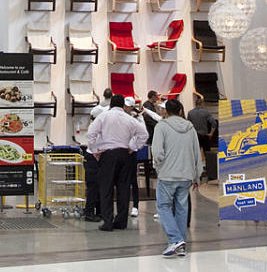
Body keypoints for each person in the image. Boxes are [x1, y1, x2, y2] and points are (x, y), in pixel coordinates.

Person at [86, 94, 149, 232]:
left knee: (106, 189)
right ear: (123, 106)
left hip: (108, 154)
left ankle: (107, 222)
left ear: (110, 105)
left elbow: (90, 134)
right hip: (124, 155)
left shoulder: (103, 117)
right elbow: (144, 134)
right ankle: (121, 222)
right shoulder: (129, 118)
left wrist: (96, 150)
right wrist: (133, 147)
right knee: (123, 189)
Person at [152, 98, 202, 258]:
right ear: (181, 110)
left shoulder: (161, 127)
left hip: (167, 175)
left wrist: (158, 166)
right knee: (182, 208)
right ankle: (181, 245)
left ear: (165, 111)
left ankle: (175, 239)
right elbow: (196, 153)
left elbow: (157, 152)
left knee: (164, 207)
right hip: (187, 175)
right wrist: (197, 175)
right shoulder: (190, 128)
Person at [83, 105, 106, 222]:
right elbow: (95, 145)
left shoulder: (96, 127)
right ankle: (89, 213)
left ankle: (99, 211)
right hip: (93, 158)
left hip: (94, 158)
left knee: (98, 187)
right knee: (93, 188)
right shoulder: (95, 128)